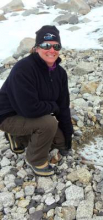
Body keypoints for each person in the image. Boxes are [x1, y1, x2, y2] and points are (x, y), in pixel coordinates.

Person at [0, 25, 73, 176]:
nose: (51, 50)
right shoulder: (24, 69)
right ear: (36, 48)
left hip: (30, 113)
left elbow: (63, 106)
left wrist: (68, 137)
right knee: (48, 124)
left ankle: (18, 137)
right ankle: (36, 161)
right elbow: (29, 109)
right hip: (8, 115)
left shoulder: (60, 73)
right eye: (46, 45)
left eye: (56, 46)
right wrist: (53, 106)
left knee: (59, 142)